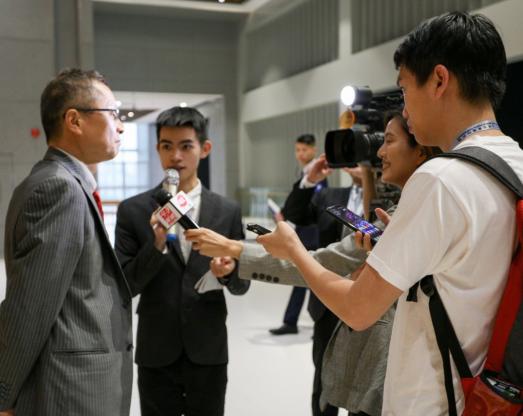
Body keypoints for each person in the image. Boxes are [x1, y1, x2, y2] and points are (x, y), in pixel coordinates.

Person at [256, 12, 523, 415]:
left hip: (433, 402)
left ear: (439, 81)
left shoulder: (440, 178)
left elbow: (358, 310)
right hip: (497, 396)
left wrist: (294, 250)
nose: (404, 109)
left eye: (405, 88)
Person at [185, 111, 441, 416]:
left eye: (388, 141)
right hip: (351, 332)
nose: (380, 152)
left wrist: (250, 248)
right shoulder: (397, 205)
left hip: (397, 366)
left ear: (420, 151)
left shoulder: (415, 210)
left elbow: (330, 264)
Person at [0, 68, 133, 416]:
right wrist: (5, 394)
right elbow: (30, 305)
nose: (120, 126)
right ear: (75, 120)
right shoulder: (60, 188)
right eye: (113, 113)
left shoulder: (57, 181)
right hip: (72, 393)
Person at [114, 106, 250, 416]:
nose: (176, 156)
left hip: (208, 347)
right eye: (167, 146)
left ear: (205, 148)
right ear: (158, 149)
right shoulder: (133, 211)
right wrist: (157, 243)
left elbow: (242, 285)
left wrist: (228, 272)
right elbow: (125, 286)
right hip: (156, 349)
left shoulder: (227, 211)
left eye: (186, 146)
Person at [282, 164, 365, 416]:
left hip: (372, 304)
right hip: (328, 304)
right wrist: (309, 181)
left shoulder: (392, 200)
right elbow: (294, 213)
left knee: (364, 388)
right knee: (324, 383)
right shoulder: (329, 196)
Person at [270, 134, 327, 336]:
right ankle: (293, 321)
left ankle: (318, 321)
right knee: (302, 280)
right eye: (297, 150)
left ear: (314, 150)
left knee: (313, 281)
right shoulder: (305, 175)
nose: (300, 154)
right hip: (303, 233)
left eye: (304, 149)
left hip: (312, 235)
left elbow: (313, 209)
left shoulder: (318, 175)